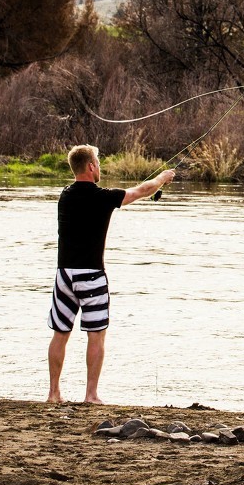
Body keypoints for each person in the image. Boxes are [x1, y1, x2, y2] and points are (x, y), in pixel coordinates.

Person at [46, 144, 175, 404]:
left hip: (64, 274)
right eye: (98, 163)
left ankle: (53, 393)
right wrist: (162, 178)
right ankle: (91, 395)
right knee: (96, 334)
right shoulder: (101, 197)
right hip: (91, 275)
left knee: (61, 333)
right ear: (91, 166)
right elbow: (140, 191)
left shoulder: (65, 195)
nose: (100, 168)